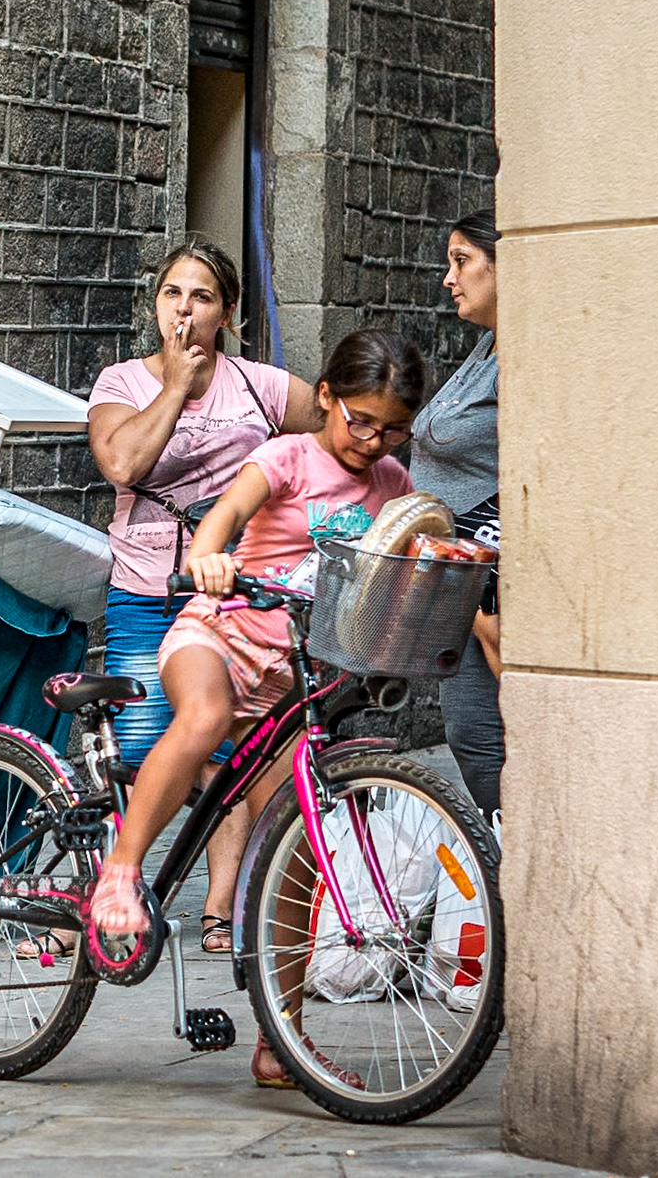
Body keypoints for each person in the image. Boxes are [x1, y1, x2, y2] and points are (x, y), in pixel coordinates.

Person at [89, 329, 428, 1088]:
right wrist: (208, 557)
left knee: (295, 857)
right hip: (218, 634)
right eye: (358, 421)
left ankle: (282, 1040)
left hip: (289, 681)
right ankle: (121, 870)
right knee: (202, 721)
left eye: (392, 427)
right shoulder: (288, 457)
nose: (370, 441)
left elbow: (416, 548)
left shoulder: (393, 482)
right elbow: (227, 513)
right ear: (328, 400)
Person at [82, 237, 325, 956]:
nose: (185, 309)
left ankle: (221, 906)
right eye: (173, 294)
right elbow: (122, 462)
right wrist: (176, 389)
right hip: (146, 588)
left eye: (202, 297)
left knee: (230, 745)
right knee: (142, 748)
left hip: (233, 595)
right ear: (157, 305)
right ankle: (114, 882)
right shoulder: (122, 383)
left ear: (226, 313)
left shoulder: (262, 387)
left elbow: (335, 438)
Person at [412, 210, 504, 821]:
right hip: (460, 575)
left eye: (462, 260)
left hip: (490, 576)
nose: (450, 277)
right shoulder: (488, 345)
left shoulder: (528, 354)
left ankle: (528, 871)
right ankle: (510, 871)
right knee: (471, 733)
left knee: (494, 733)